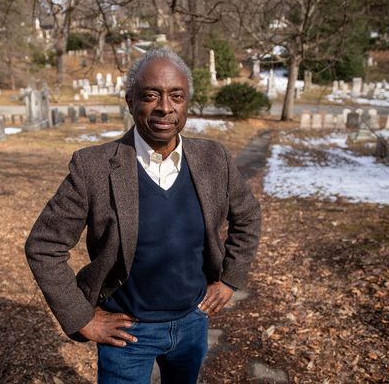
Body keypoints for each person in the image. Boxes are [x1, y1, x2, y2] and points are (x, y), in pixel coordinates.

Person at [25, 47, 261, 383]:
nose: (165, 107)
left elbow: (248, 216)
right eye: (151, 95)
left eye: (176, 96)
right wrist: (82, 318)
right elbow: (44, 245)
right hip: (127, 334)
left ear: (186, 102)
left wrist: (229, 280)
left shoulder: (213, 159)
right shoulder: (94, 167)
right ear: (130, 101)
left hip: (193, 322)